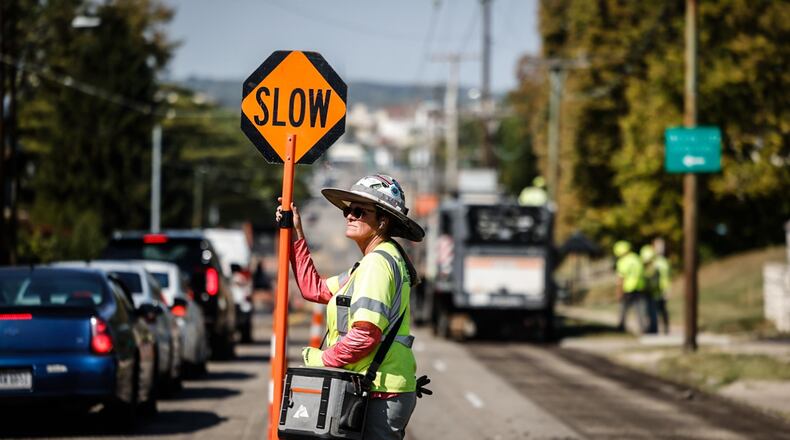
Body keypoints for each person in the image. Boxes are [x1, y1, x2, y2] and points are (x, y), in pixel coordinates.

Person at [275, 173, 425, 440]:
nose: (350, 216)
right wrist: (297, 234)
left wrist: (322, 360)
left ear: (383, 220)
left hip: (380, 390)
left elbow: (365, 335)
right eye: (347, 210)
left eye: (359, 211)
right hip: (376, 389)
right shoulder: (369, 264)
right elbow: (315, 289)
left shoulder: (377, 264)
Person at [613, 240, 646, 332]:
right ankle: (642, 328)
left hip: (627, 289)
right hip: (639, 288)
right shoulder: (637, 258)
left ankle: (621, 327)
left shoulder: (623, 261)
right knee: (639, 310)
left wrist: (619, 292)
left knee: (623, 309)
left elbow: (621, 278)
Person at [651, 238, 671, 334]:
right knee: (654, 310)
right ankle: (655, 329)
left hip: (663, 289)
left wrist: (667, 289)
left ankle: (666, 328)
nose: (660, 249)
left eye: (662, 246)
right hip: (654, 290)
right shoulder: (652, 261)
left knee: (663, 310)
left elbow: (666, 277)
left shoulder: (664, 261)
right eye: (658, 246)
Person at [640, 244, 659, 334]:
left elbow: (653, 282)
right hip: (648, 292)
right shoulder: (649, 267)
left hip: (651, 292)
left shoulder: (653, 268)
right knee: (648, 311)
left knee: (651, 311)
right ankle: (649, 328)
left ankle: (652, 329)